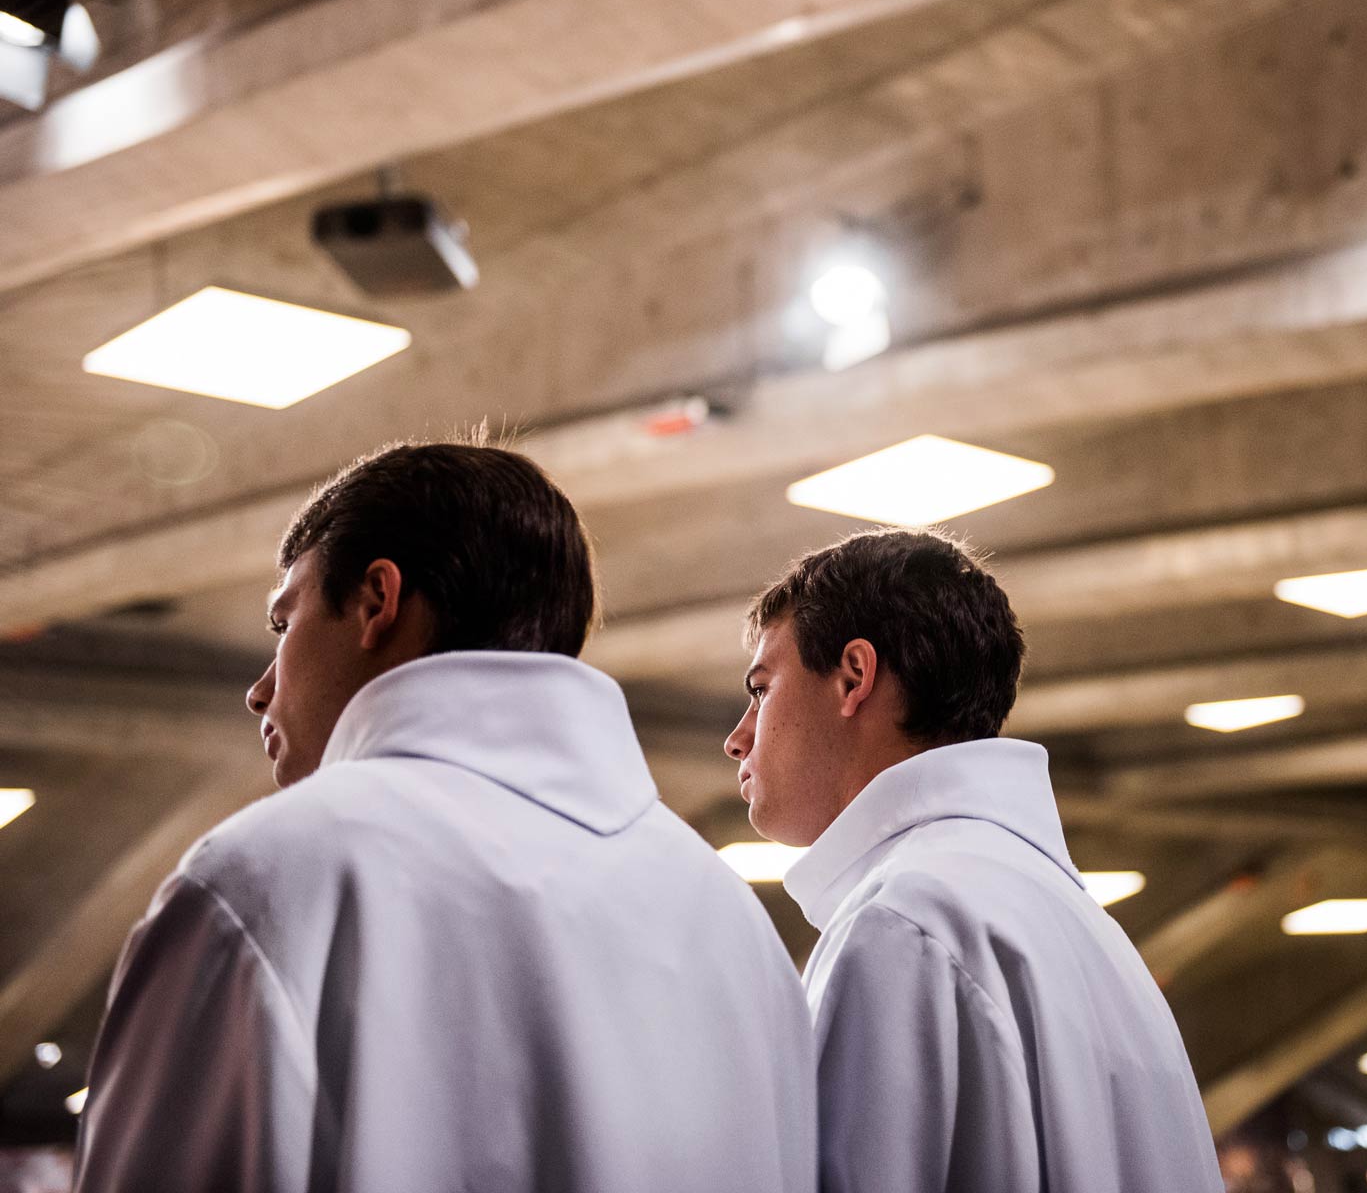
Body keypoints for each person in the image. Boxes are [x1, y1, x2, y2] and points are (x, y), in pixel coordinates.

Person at [75, 441, 815, 1192]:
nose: (260, 691)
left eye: (283, 625)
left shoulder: (268, 880)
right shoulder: (738, 928)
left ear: (376, 601)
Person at [724, 528, 1221, 1192]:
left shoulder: (903, 923)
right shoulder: (1081, 926)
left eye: (761, 689)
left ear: (853, 677)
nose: (738, 739)